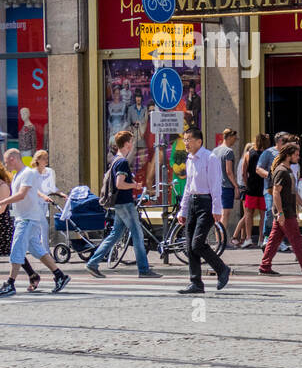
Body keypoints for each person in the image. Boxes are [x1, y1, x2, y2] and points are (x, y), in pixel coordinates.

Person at [86, 131, 162, 280]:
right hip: (125, 204)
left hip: (120, 204)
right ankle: (144, 269)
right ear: (127, 143)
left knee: (115, 235)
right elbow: (120, 184)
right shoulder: (122, 162)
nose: (132, 144)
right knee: (138, 235)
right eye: (131, 142)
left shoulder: (116, 160)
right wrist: (134, 185)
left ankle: (93, 263)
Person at [0, 153, 70, 296]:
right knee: (37, 251)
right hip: (24, 217)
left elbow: (22, 194)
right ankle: (60, 275)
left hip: (27, 219)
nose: (5, 165)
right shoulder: (19, 175)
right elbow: (32, 191)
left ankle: (10, 284)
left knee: (16, 249)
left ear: (13, 159)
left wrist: (2, 202)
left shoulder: (27, 173)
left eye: (6, 162)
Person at [175, 127, 231, 295]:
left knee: (197, 243)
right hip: (192, 202)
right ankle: (196, 283)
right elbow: (188, 187)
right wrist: (183, 210)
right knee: (190, 246)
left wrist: (216, 208)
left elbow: (215, 184)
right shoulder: (190, 159)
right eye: (184, 139)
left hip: (206, 203)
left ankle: (222, 269)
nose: (185, 143)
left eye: (188, 140)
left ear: (199, 141)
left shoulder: (210, 158)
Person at [259, 142, 302, 277]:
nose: (298, 157)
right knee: (296, 239)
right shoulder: (281, 171)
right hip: (285, 212)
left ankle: (265, 266)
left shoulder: (288, 171)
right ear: (288, 155)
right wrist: (280, 213)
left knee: (274, 240)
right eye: (296, 154)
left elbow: (294, 192)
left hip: (286, 211)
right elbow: (276, 192)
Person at [214, 128, 240, 237]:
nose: (235, 140)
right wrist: (236, 186)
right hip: (226, 186)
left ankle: (217, 238)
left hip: (216, 186)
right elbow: (229, 171)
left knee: (218, 214)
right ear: (229, 137)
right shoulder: (229, 152)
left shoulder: (215, 151)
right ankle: (223, 239)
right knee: (225, 214)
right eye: (234, 138)